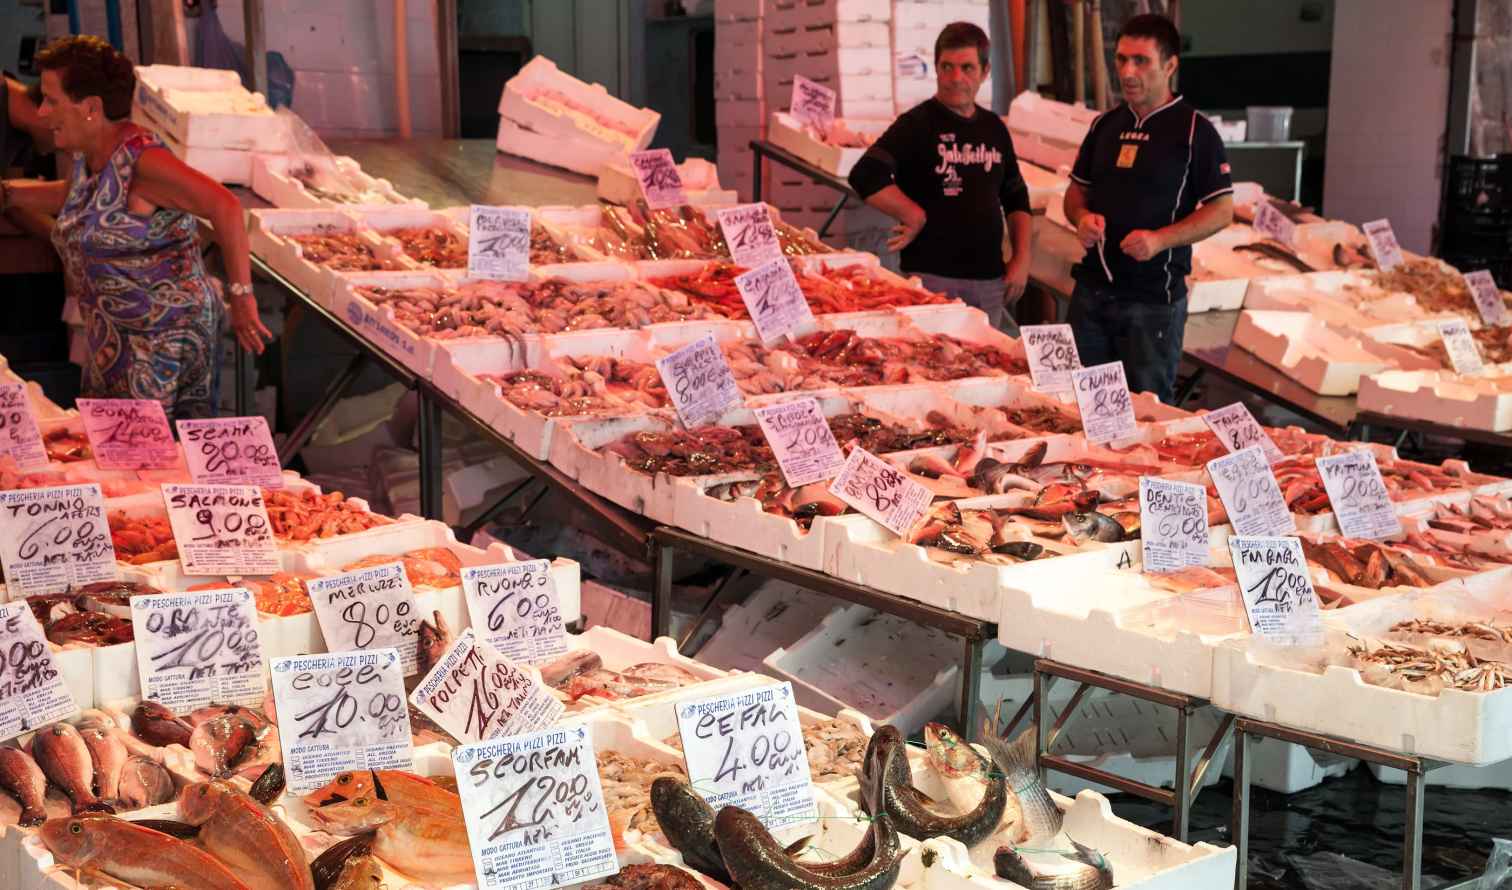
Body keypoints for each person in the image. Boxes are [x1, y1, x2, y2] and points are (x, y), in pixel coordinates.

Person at [0, 36, 270, 419]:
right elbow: (76, 196)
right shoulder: (90, 155)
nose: (42, 113)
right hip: (114, 338)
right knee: (114, 452)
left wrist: (242, 297)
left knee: (149, 460)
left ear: (90, 108)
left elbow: (224, 205)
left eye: (52, 101)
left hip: (160, 344)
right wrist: (9, 195)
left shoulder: (145, 161)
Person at [1062, 14, 1233, 404]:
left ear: (1170, 65)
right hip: (1091, 293)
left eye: (1141, 61)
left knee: (1145, 417)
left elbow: (1222, 210)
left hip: (1152, 303)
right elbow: (1075, 194)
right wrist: (1081, 218)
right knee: (1076, 408)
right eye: (1121, 59)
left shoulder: (1195, 132)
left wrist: (1160, 240)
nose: (1127, 71)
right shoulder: (1103, 125)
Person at [848, 22, 1031, 333]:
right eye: (947, 67)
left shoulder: (994, 128)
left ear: (985, 72)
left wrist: (1022, 259)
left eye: (967, 68)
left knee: (988, 369)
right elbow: (865, 174)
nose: (955, 78)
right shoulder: (916, 124)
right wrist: (912, 214)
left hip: (989, 280)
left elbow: (1016, 197)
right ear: (936, 68)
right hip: (930, 280)